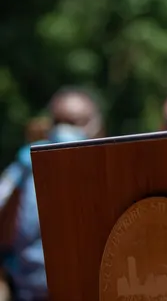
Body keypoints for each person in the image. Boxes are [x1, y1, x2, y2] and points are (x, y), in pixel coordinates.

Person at [0, 87, 104, 301]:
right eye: (59, 121)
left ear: (95, 126)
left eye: (74, 122)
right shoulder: (24, 168)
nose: (64, 129)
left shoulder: (107, 171)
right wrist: (22, 177)